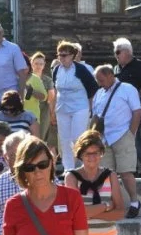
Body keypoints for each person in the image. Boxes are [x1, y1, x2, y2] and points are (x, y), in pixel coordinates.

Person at [92, 64, 141, 219]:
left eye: (101, 79)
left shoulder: (127, 89)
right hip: (104, 138)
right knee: (106, 174)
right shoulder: (99, 93)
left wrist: (131, 134)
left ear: (110, 75)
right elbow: (95, 115)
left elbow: (137, 112)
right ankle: (112, 204)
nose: (100, 83)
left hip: (122, 135)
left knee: (126, 172)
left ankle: (134, 202)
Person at [51, 41, 98, 172]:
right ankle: (68, 169)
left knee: (77, 137)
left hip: (79, 107)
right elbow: (55, 90)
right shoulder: (56, 70)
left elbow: (93, 88)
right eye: (59, 55)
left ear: (72, 55)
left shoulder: (80, 69)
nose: (61, 58)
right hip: (62, 108)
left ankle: (81, 166)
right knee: (65, 140)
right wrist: (52, 110)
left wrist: (89, 108)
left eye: (64, 55)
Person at [113, 37, 141, 175]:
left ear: (127, 52)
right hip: (121, 110)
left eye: (118, 52)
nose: (115, 55)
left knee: (134, 136)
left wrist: (137, 94)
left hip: (136, 109)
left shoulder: (140, 66)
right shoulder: (117, 68)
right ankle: (133, 168)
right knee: (125, 138)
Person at [31, 52, 58, 156]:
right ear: (32, 63)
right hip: (29, 109)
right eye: (36, 63)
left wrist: (52, 115)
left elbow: (51, 99)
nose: (38, 66)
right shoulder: (27, 78)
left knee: (41, 136)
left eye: (41, 64)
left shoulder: (47, 80)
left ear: (44, 65)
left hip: (43, 111)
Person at [21, 53, 46, 121]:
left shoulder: (35, 79)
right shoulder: (11, 78)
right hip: (16, 117)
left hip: (32, 118)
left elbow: (44, 97)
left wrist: (30, 90)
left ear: (29, 66)